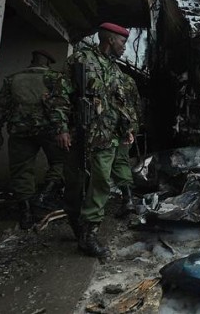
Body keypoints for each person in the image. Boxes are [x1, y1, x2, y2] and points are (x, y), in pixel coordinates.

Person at [49, 23, 134, 257]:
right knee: (75, 186)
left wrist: (126, 129)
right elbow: (60, 95)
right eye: (122, 42)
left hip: (106, 138)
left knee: (101, 183)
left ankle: (89, 234)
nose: (124, 48)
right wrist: (61, 129)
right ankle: (77, 226)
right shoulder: (80, 60)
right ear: (110, 40)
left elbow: (119, 104)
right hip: (80, 136)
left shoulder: (115, 70)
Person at [0, 50, 66, 230]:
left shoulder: (12, 79)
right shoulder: (55, 78)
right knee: (62, 161)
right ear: (48, 63)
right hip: (49, 130)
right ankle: (44, 195)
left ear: (32, 61)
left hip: (19, 130)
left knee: (21, 169)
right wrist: (64, 129)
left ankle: (25, 212)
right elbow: (62, 106)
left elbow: (0, 107)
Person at [111, 72, 142, 218]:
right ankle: (128, 200)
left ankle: (128, 200)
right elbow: (138, 106)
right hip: (127, 125)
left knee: (118, 160)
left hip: (116, 127)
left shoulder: (109, 78)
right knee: (120, 160)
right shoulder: (128, 79)